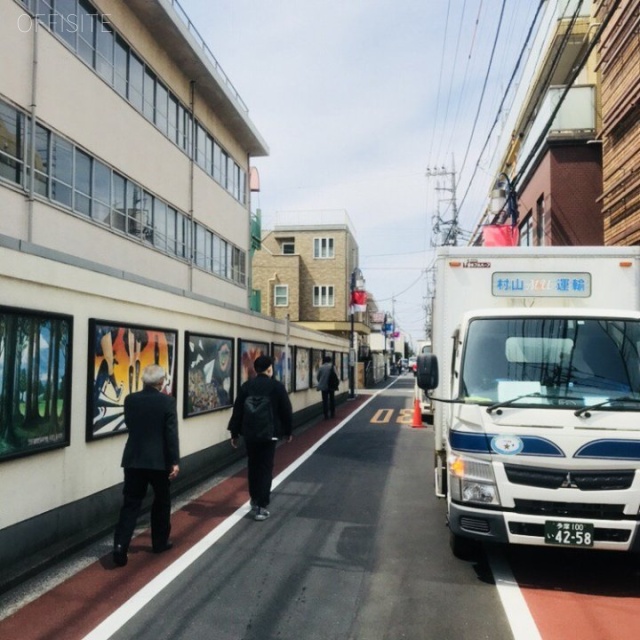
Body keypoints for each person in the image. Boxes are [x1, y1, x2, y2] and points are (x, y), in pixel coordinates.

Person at [112, 364, 180, 567]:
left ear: (143, 381)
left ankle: (120, 547)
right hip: (159, 462)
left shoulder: (130, 400)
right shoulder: (167, 402)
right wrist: (174, 461)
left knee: (131, 504)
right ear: (161, 383)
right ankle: (159, 543)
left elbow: (131, 425)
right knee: (162, 501)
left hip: (134, 459)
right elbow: (170, 434)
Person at [228, 355, 293, 521]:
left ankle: (254, 498)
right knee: (265, 468)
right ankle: (261, 506)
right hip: (269, 435)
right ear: (270, 369)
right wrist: (288, 431)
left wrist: (234, 433)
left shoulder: (246, 386)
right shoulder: (276, 387)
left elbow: (238, 411)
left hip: (250, 434)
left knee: (253, 466)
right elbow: (286, 410)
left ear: (256, 370)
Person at [317, 355, 340, 419]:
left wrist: (321, 381)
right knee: (332, 399)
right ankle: (332, 413)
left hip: (323, 386)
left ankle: (326, 415)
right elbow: (336, 376)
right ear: (330, 361)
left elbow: (318, 377)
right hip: (331, 386)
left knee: (325, 401)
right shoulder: (332, 367)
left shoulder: (321, 367)